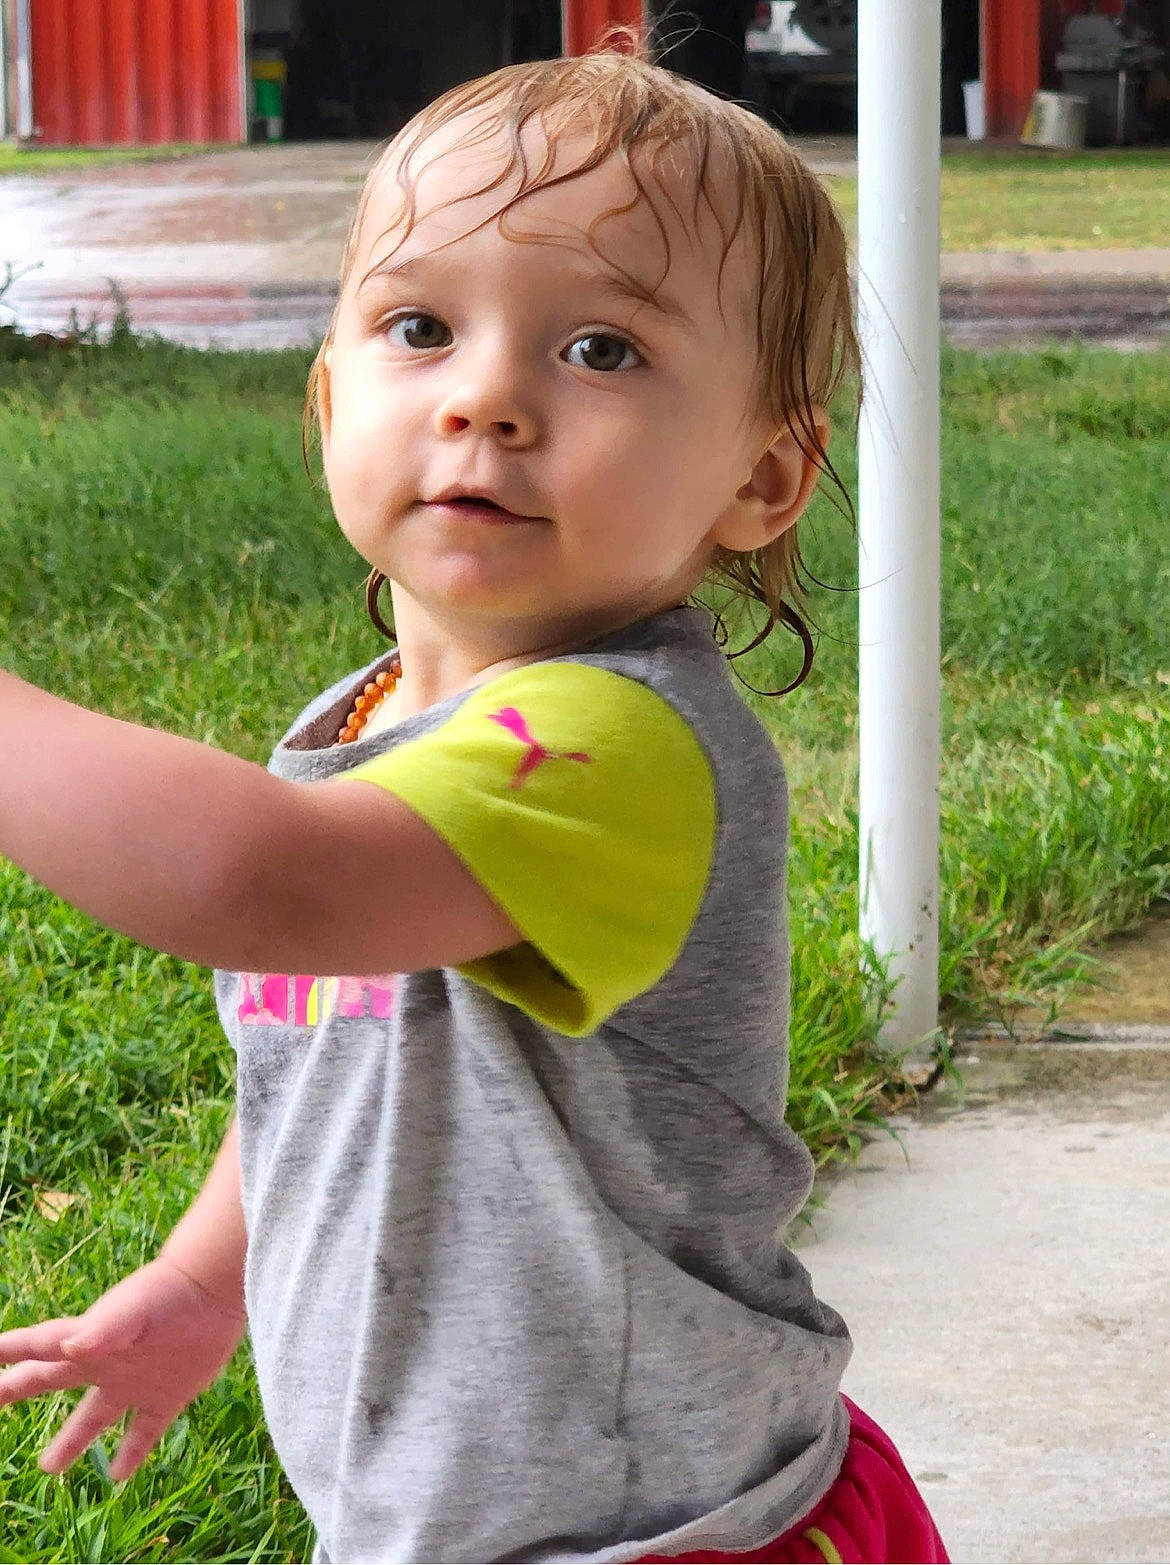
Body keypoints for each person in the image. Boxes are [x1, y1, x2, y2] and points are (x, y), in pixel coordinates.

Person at [0, 45, 948, 1565]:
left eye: (601, 352)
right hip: (467, 1509)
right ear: (327, 405)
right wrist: (195, 1281)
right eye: (421, 327)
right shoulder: (368, 725)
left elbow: (266, 885)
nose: (487, 399)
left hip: (656, 1525)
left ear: (761, 479)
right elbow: (339, 1057)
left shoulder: (618, 742)